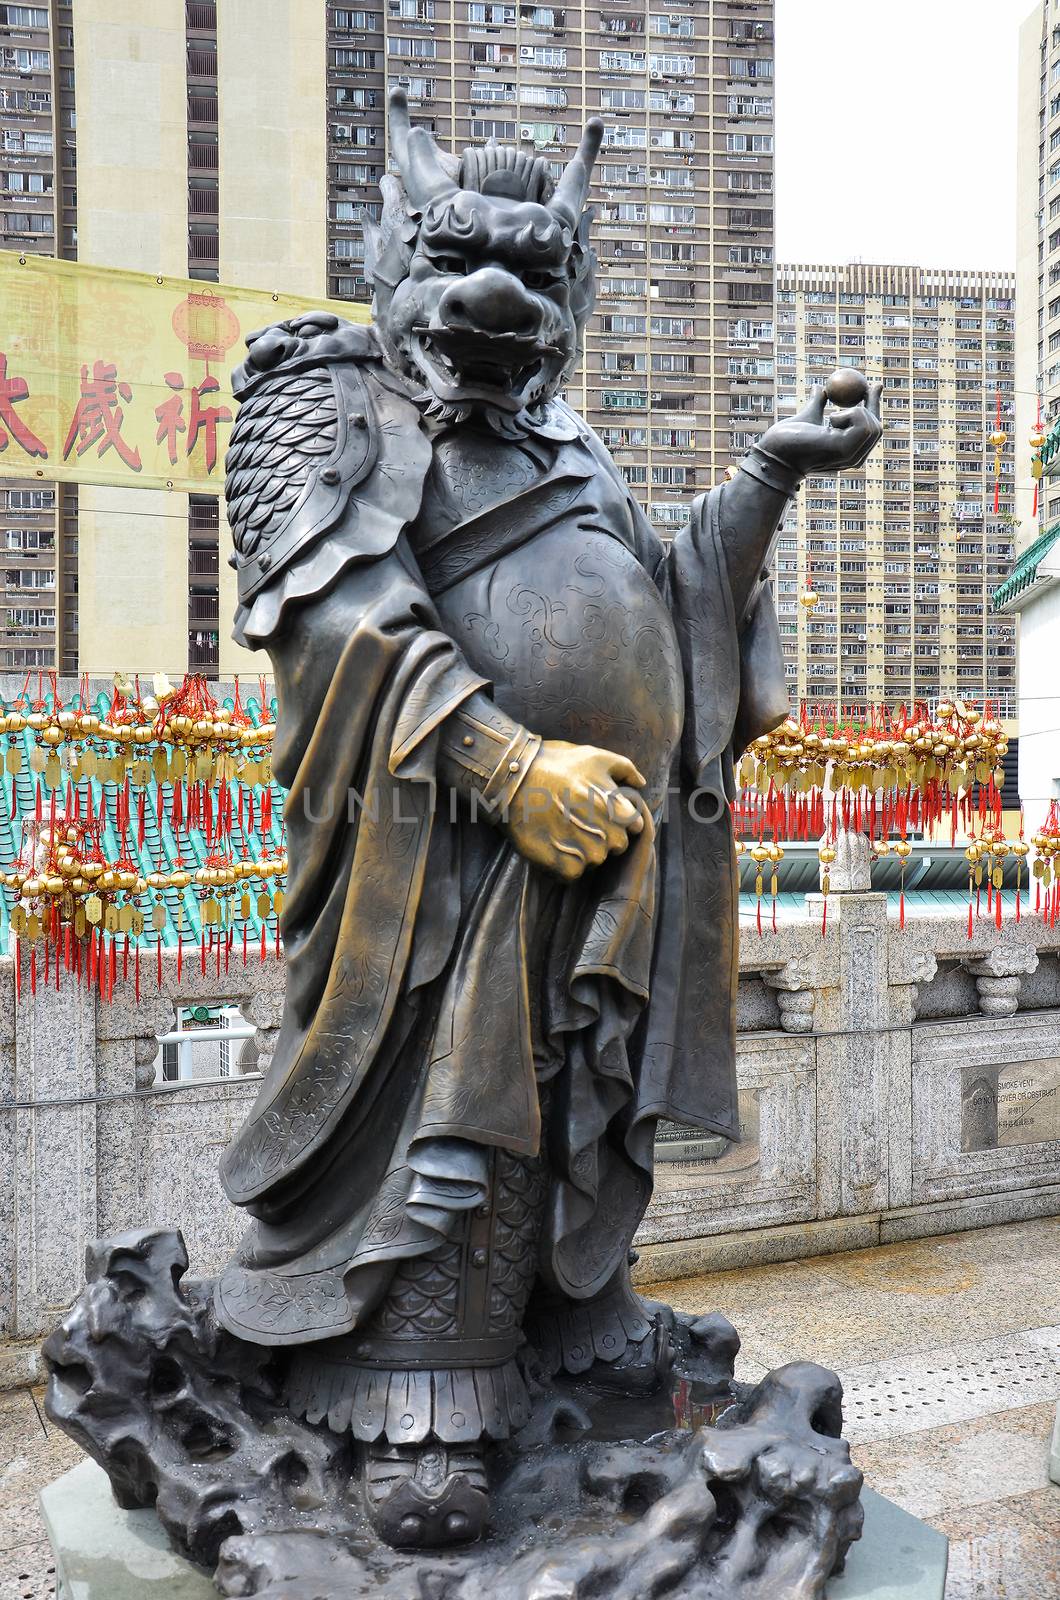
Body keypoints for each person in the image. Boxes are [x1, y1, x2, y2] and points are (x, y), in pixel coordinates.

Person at [214, 92, 882, 1548]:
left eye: (540, 273)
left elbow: (670, 579)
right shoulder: (326, 398)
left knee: (575, 1106)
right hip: (441, 858)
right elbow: (344, 621)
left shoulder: (566, 433)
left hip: (609, 856)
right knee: (456, 1110)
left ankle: (570, 1319)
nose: (497, 300)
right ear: (392, 260)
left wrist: (768, 475)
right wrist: (512, 768)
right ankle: (421, 1386)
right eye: (457, 260)